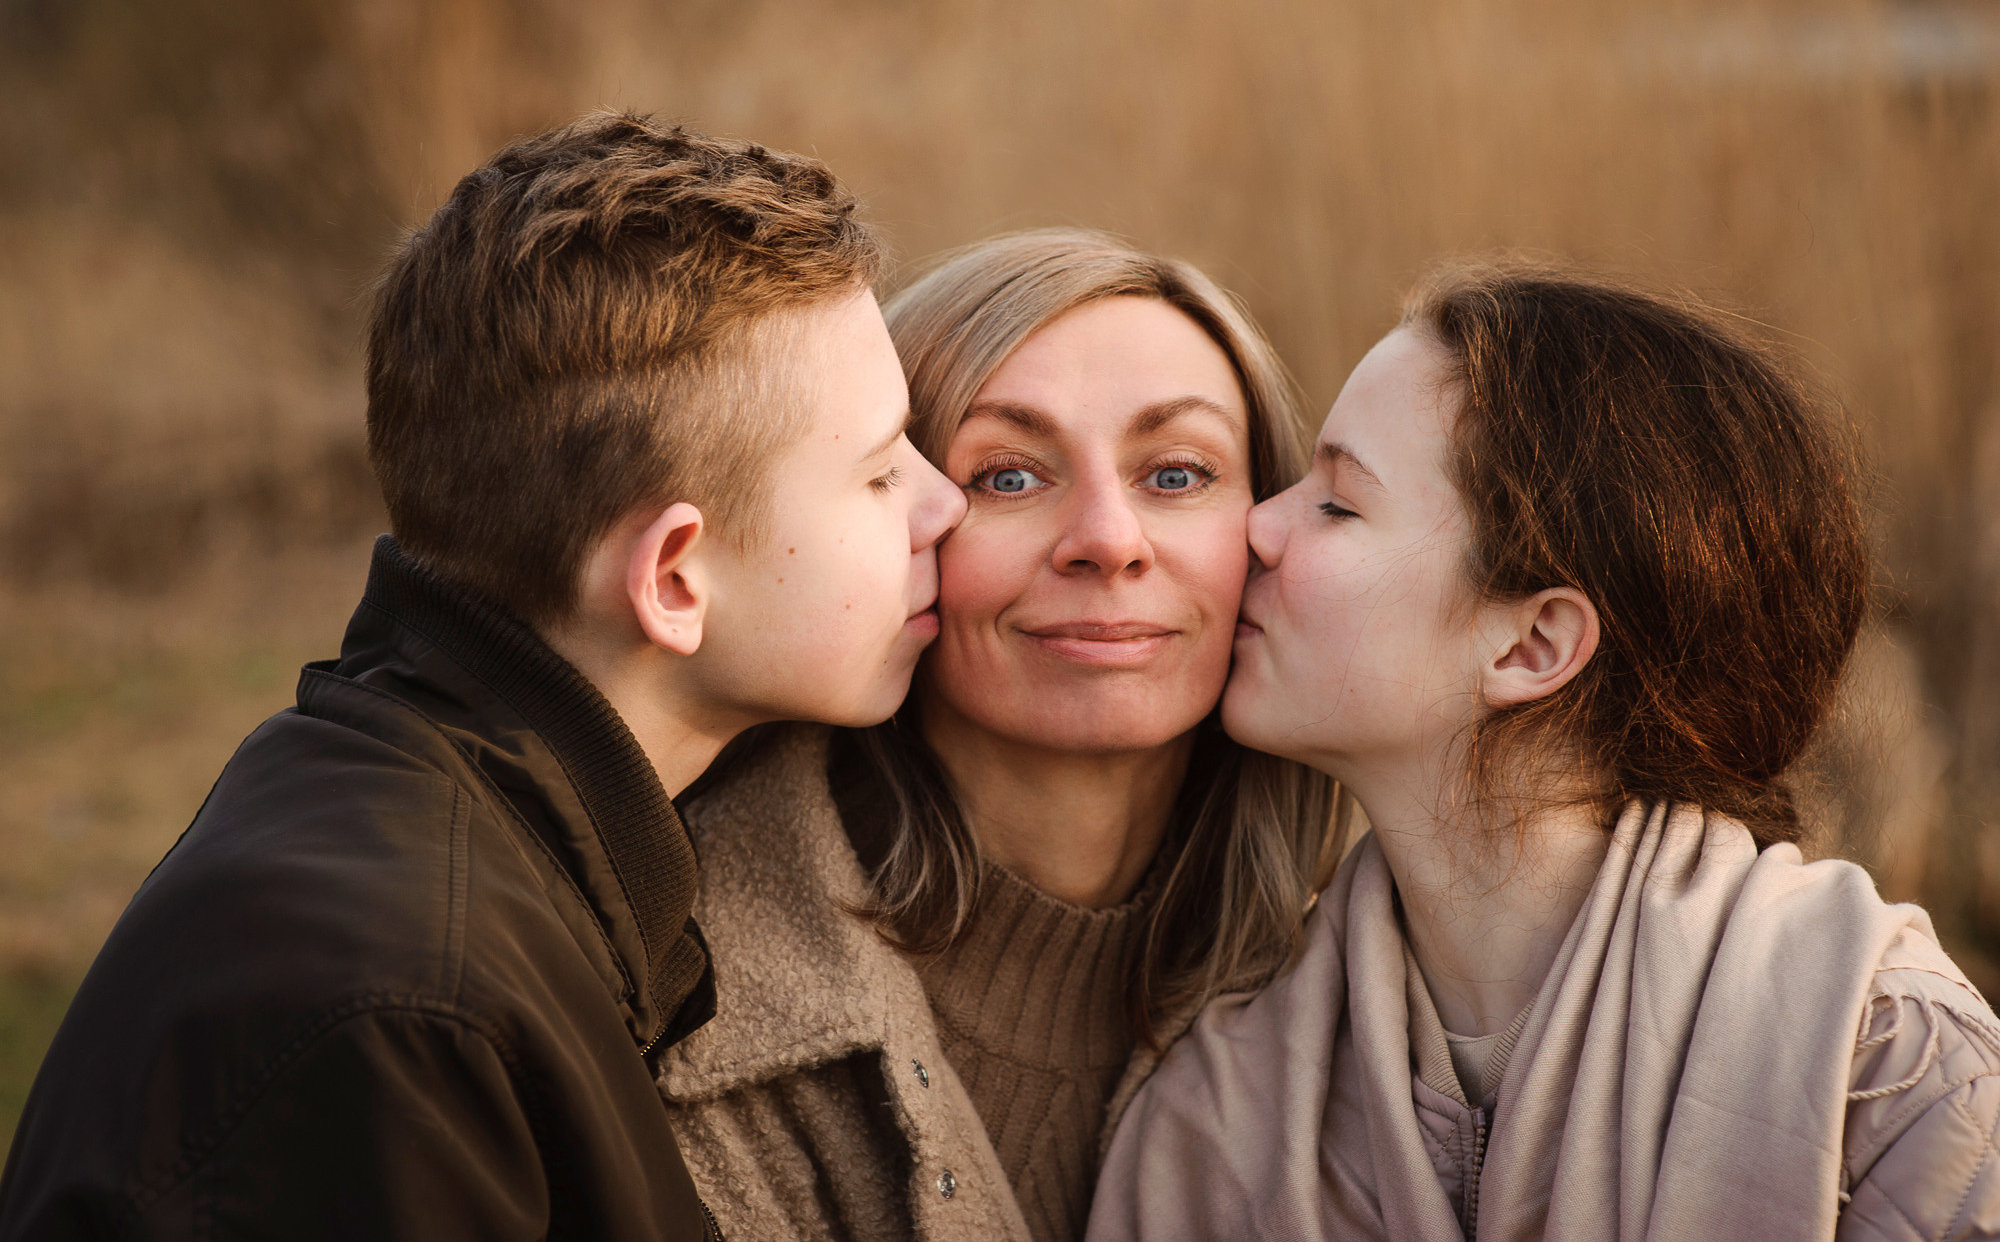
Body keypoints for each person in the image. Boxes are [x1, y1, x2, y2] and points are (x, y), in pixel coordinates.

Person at [0, 112, 965, 1239]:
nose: (939, 501)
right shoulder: (398, 1020)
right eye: (878, 471)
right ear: (671, 578)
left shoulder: (434, 827)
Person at [1088, 261, 2000, 1242]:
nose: (1257, 524)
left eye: (1337, 502)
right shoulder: (1211, 1117)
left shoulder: (1887, 1072)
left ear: (1530, 646)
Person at [656, 229, 1349, 1242]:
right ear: (884, 525)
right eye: (1008, 478)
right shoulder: (669, 994)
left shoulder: (1366, 1012)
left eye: (1176, 473)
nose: (1108, 540)